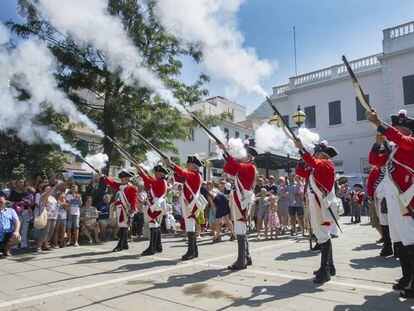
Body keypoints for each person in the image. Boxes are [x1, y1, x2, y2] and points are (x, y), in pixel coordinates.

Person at [366, 108, 414, 298]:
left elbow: (403, 141)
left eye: (401, 128)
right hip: (394, 199)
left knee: (411, 239)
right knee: (400, 239)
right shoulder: (393, 148)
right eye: (396, 128)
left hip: (407, 197)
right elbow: (374, 161)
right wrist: (378, 144)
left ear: (409, 131)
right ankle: (406, 277)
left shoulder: (410, 143)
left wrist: (380, 123)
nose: (398, 131)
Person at [295, 139, 339, 284]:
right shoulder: (317, 166)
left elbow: (313, 162)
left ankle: (325, 271)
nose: (315, 154)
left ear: (324, 154)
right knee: (323, 235)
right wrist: (302, 157)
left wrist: (302, 149)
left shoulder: (326, 164)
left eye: (317, 152)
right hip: (317, 204)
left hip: (321, 205)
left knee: (322, 236)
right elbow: (301, 172)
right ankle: (329, 267)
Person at [218, 141, 257, 270]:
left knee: (240, 229)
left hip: (241, 201)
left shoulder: (250, 167)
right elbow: (227, 168)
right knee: (241, 229)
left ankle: (241, 261)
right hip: (238, 200)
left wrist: (225, 151)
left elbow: (233, 165)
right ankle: (247, 257)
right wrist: (230, 155)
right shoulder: (243, 166)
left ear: (250, 156)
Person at [165, 154, 205, 261]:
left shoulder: (195, 175)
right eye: (188, 164)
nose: (188, 165)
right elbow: (179, 176)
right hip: (189, 203)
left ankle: (191, 251)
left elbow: (182, 173)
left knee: (190, 226)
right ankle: (194, 251)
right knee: (190, 226)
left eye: (190, 164)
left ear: (195, 166)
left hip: (190, 204)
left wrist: (170, 164)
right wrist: (172, 169)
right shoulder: (193, 175)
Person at [136, 163, 169, 256]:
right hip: (155, 207)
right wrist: (142, 171)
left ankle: (152, 248)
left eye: (158, 173)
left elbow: (148, 179)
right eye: (156, 173)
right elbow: (148, 183)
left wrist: (140, 170)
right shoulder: (159, 181)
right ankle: (158, 246)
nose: (156, 174)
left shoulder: (160, 181)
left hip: (155, 207)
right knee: (156, 226)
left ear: (162, 174)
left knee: (153, 227)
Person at [101, 169, 138, 252]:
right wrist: (103, 176)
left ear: (127, 179)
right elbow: (111, 183)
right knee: (122, 226)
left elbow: (134, 199)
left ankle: (120, 245)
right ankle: (124, 244)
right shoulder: (120, 186)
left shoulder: (131, 187)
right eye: (121, 178)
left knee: (123, 227)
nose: (121, 180)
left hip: (125, 209)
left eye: (123, 178)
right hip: (119, 209)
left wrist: (133, 208)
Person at [35, 182, 60, 252]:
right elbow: (48, 194)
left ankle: (45, 245)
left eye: (50, 188)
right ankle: (38, 246)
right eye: (48, 189)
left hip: (54, 216)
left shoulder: (52, 197)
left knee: (50, 231)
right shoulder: (43, 195)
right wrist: (55, 185)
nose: (49, 190)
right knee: (45, 231)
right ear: (44, 190)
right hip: (46, 216)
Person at [0, 192, 21, 256]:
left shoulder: (11, 211)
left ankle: (6, 249)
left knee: (17, 238)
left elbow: (17, 221)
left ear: (5, 201)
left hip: (7, 234)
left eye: (1, 202)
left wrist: (16, 231)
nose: (0, 203)